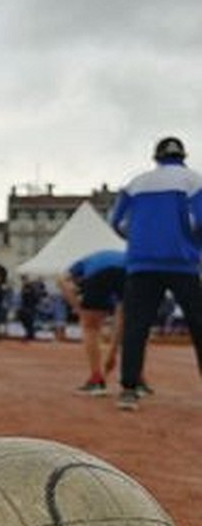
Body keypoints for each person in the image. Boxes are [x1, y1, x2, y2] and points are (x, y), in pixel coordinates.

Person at [110, 136, 202, 410]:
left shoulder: (136, 183)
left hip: (141, 263)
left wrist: (141, 240)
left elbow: (116, 222)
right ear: (182, 155)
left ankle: (128, 389)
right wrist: (191, 245)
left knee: (136, 326)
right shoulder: (194, 180)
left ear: (157, 157)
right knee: (199, 324)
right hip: (182, 263)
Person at [58, 249, 126, 396]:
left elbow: (61, 280)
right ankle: (137, 381)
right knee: (127, 323)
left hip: (99, 274)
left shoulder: (81, 265)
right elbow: (120, 318)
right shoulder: (107, 256)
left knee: (90, 327)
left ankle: (96, 380)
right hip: (129, 272)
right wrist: (112, 353)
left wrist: (78, 308)